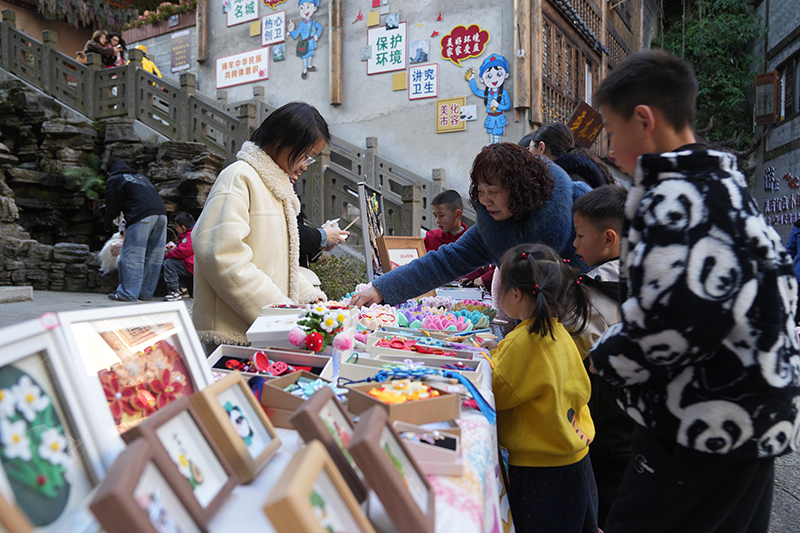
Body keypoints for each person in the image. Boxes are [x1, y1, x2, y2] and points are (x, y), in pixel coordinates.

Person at [589, 50, 800, 533]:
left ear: (645, 120)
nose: (610, 149)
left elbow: (678, 320)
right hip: (754, 414)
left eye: (612, 131)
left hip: (702, 419)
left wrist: (605, 357)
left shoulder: (673, 196)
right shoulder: (725, 184)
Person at [349, 143, 591, 307]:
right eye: (480, 192)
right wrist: (380, 290)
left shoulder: (577, 205)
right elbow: (442, 262)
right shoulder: (493, 230)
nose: (485, 201)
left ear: (520, 189)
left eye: (493, 191)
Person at [192, 102, 328, 348]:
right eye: (306, 155)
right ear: (281, 142)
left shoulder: (276, 187)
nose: (306, 165)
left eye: (312, 158)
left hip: (263, 327)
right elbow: (221, 256)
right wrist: (279, 312)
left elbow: (281, 263)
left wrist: (309, 297)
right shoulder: (238, 177)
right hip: (233, 333)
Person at [482, 243, 597, 533]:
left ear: (516, 295)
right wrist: (500, 349)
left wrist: (490, 356)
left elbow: (497, 392)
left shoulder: (525, 340)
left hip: (543, 470)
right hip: (576, 460)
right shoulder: (558, 331)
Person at [569, 184, 634, 528]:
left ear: (609, 238)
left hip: (605, 426)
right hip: (643, 427)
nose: (574, 244)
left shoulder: (590, 296)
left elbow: (570, 352)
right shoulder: (656, 280)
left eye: (580, 235)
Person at [103, 160, 167, 302]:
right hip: (162, 215)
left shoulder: (115, 179)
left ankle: (128, 293)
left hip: (142, 215)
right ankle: (145, 293)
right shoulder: (141, 178)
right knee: (154, 256)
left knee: (132, 254)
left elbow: (113, 204)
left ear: (109, 172)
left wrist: (107, 219)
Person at [423, 189, 495, 289]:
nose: (437, 221)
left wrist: (472, 279)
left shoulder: (473, 240)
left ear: (458, 214)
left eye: (441, 216)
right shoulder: (431, 237)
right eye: (435, 216)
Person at [524, 124, 610, 189]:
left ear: (541, 148)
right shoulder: (581, 175)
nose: (528, 153)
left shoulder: (555, 183)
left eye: (529, 148)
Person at [162, 212, 195, 302]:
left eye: (177, 227)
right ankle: (184, 290)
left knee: (169, 263)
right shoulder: (193, 233)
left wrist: (166, 256)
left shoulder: (189, 235)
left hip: (191, 265)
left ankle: (174, 291)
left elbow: (182, 251)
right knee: (178, 263)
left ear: (183, 227)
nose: (176, 229)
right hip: (192, 264)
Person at [287, 0, 323, 79]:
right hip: (304, 43)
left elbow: (320, 27)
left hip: (311, 41)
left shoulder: (313, 22)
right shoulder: (302, 24)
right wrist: (291, 30)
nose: (305, 11)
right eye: (302, 8)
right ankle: (304, 70)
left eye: (308, 7)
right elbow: (295, 36)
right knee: (305, 56)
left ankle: (309, 65)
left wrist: (317, 35)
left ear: (314, 9)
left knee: (311, 53)